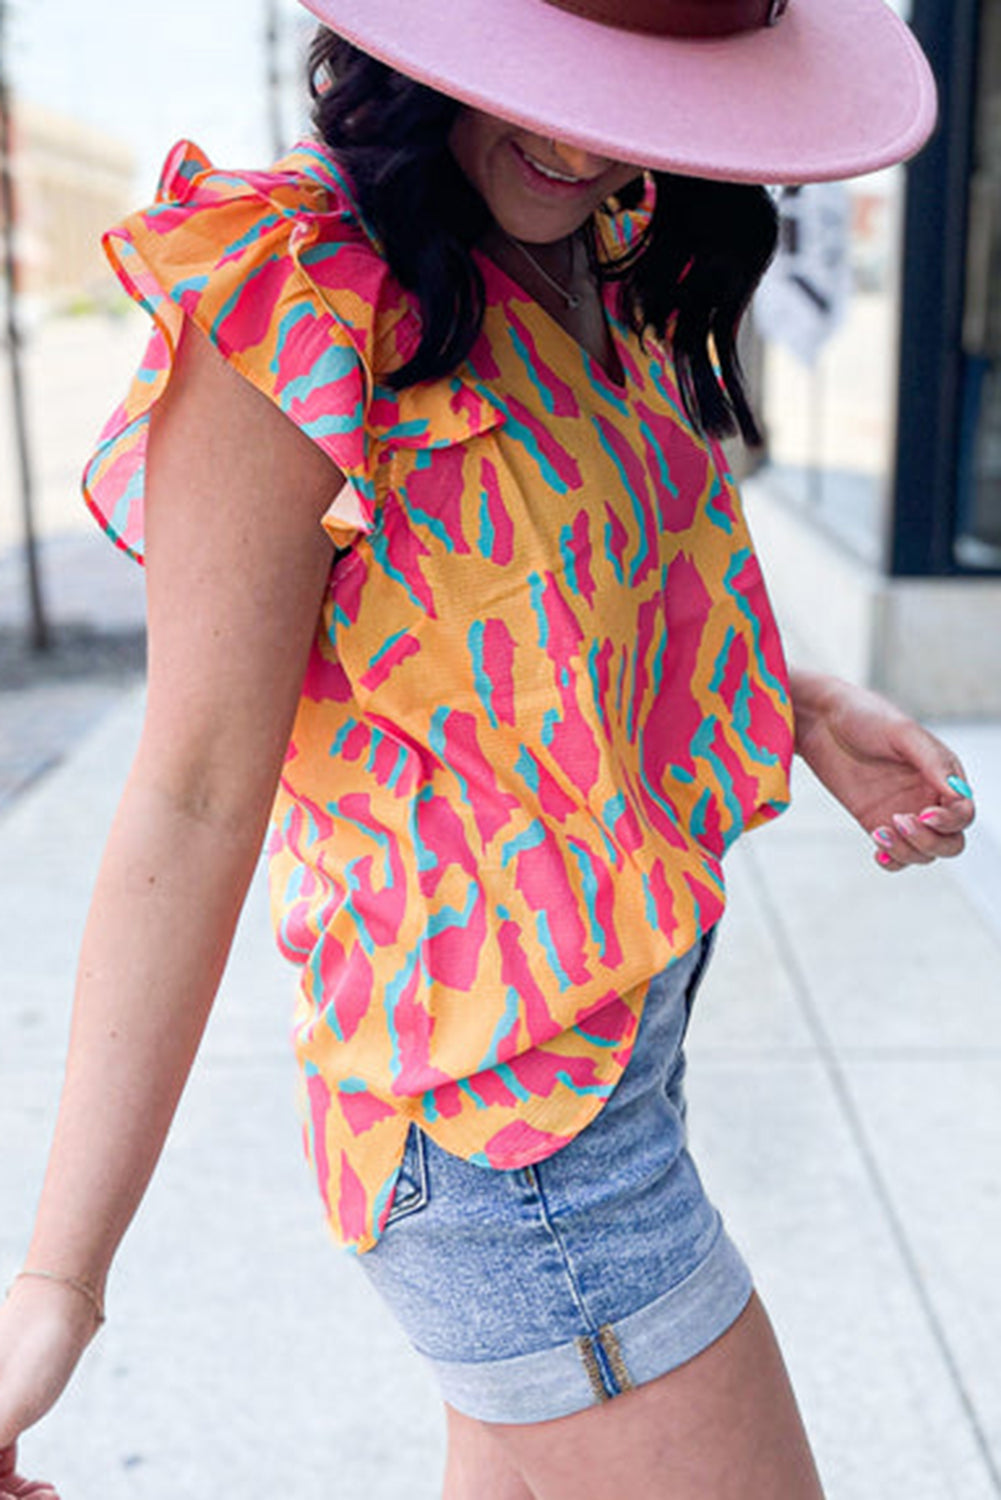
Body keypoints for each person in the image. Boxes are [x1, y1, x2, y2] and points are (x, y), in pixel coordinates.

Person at [0, 1, 977, 1496]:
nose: (580, 137)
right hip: (510, 1137)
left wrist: (792, 700)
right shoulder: (298, 296)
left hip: (612, 1065)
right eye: (551, 80)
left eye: (639, 88)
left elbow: (545, 600)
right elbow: (195, 793)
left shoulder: (611, 234)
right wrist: (59, 1286)